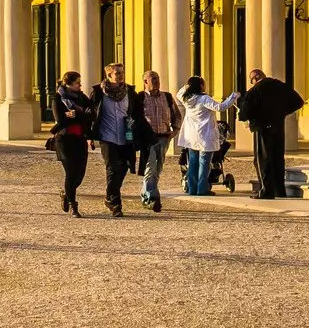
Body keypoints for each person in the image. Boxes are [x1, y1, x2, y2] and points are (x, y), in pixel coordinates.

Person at [238, 67, 304, 200]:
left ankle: (267, 191)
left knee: (263, 158)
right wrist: (282, 112)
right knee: (278, 157)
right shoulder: (281, 86)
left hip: (262, 127)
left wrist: (250, 116)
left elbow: (244, 113)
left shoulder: (255, 90)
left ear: (255, 78)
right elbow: (298, 102)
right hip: (278, 125)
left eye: (252, 80)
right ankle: (279, 190)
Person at [89, 63, 141, 218]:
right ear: (109, 75)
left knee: (125, 166)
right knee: (112, 168)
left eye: (122, 72)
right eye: (117, 73)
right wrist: (90, 137)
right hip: (107, 136)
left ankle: (109, 194)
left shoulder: (130, 92)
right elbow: (91, 115)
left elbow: (137, 112)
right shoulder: (98, 93)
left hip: (126, 135)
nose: (120, 75)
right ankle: (115, 202)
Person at [177, 75, 232, 196]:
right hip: (205, 135)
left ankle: (192, 188)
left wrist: (188, 84)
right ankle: (202, 189)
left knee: (193, 163)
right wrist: (233, 97)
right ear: (201, 85)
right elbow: (220, 107)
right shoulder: (204, 99)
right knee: (204, 163)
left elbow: (179, 92)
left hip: (191, 136)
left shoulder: (186, 97)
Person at [136, 69, 179, 212]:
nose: (156, 82)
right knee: (150, 167)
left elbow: (176, 115)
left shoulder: (166, 97)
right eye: (153, 79)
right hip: (148, 139)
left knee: (158, 168)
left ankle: (147, 193)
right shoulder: (140, 98)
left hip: (164, 137)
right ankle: (151, 197)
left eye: (158, 78)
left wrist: (175, 130)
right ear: (145, 82)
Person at [52, 70, 93, 216]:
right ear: (68, 84)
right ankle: (73, 205)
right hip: (64, 140)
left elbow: (92, 115)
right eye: (77, 83)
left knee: (80, 174)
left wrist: (76, 114)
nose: (80, 85)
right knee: (71, 172)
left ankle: (66, 193)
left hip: (80, 139)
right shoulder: (58, 98)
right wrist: (81, 115)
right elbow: (61, 120)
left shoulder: (83, 98)